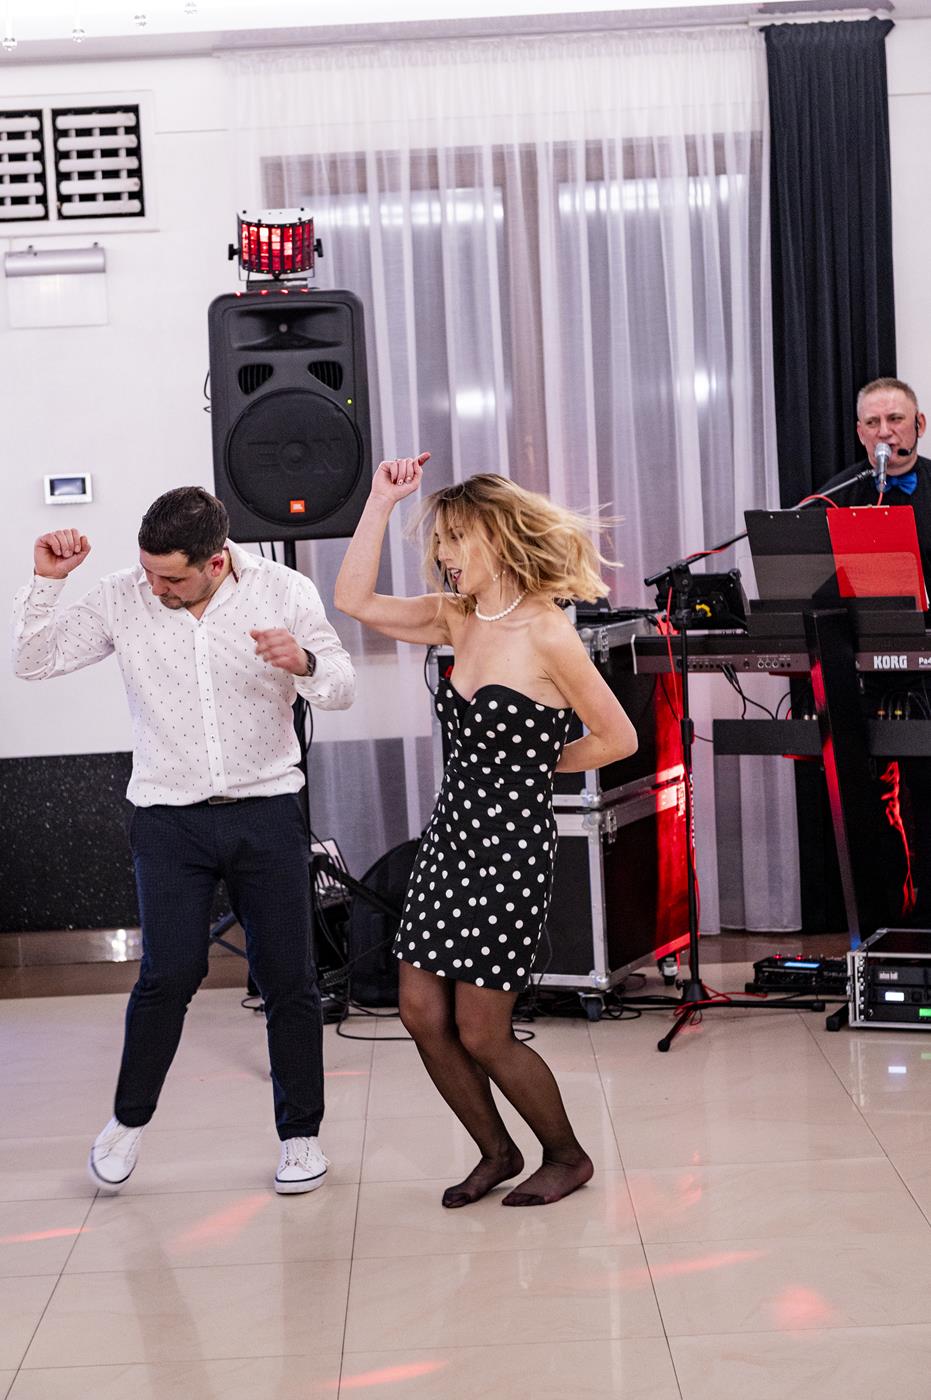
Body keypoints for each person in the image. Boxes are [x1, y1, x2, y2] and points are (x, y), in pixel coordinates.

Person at [11, 487, 355, 1195]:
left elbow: (341, 687)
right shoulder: (122, 596)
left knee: (289, 979)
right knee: (167, 975)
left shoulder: (283, 590)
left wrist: (305, 664)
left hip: (266, 811)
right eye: (149, 572)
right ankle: (126, 1123)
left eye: (170, 577)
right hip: (168, 818)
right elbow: (33, 663)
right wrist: (47, 582)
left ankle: (300, 1139)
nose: (156, 587)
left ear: (215, 561)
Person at [334, 455, 637, 1207]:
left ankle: (566, 1157)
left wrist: (534, 768)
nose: (443, 554)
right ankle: (495, 1152)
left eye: (456, 538)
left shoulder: (549, 632)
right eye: (439, 540)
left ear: (498, 539)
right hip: (450, 838)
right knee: (418, 1012)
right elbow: (352, 599)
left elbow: (617, 738)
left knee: (482, 1030)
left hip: (509, 849)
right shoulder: (455, 616)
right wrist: (379, 501)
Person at [820, 377, 931, 923]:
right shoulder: (834, 497)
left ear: (919, 425)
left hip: (927, 675)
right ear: (860, 433)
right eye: (873, 423)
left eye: (896, 420)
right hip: (862, 678)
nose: (885, 432)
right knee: (864, 808)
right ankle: (888, 930)